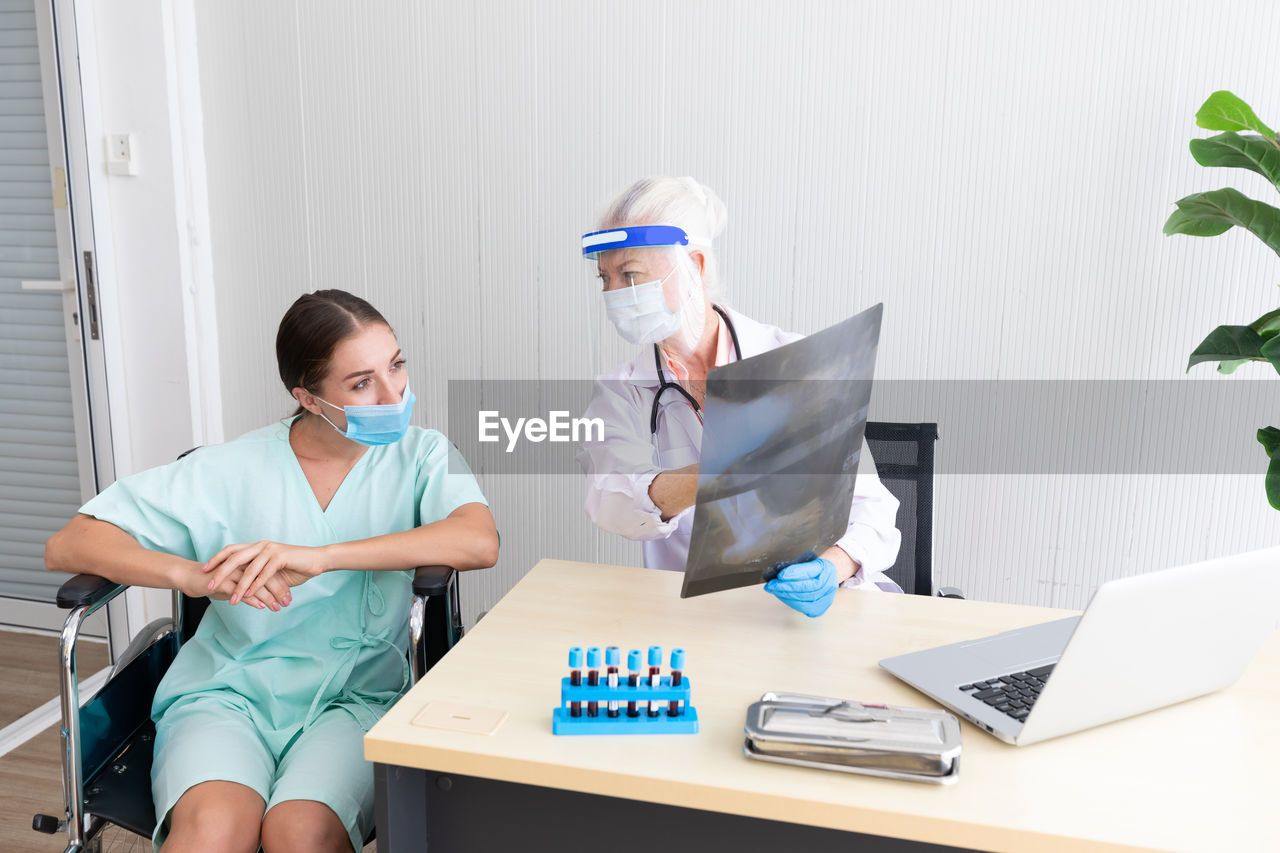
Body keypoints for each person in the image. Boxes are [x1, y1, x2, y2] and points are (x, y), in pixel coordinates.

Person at [44, 289, 499, 853]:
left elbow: (478, 540)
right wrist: (189, 576)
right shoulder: (229, 466)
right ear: (307, 397)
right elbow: (71, 543)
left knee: (300, 836)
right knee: (212, 834)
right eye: (361, 383)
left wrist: (322, 555)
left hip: (358, 699)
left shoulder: (427, 454)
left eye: (396, 365)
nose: (393, 393)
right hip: (227, 692)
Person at [576, 176, 901, 617]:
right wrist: (717, 472)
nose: (614, 294)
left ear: (696, 265)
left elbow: (873, 508)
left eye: (630, 274)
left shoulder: (796, 361)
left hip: (829, 608)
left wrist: (833, 567)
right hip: (704, 619)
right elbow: (610, 502)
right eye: (605, 278)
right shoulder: (622, 392)